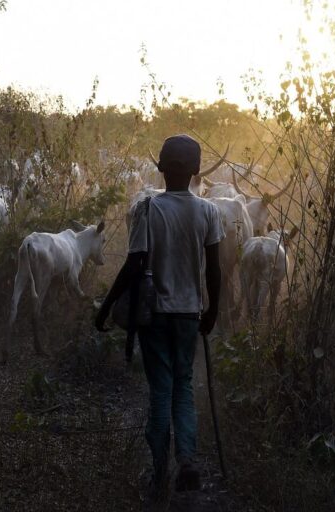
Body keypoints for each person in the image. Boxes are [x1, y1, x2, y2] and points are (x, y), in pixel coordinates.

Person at [95, 134, 224, 510]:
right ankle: (187, 459)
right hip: (189, 315)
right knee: (183, 386)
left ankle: (158, 471)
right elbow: (214, 268)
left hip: (154, 317)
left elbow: (134, 265)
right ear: (198, 171)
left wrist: (106, 307)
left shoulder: (147, 209)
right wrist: (212, 310)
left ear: (160, 169)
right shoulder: (208, 212)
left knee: (160, 390)